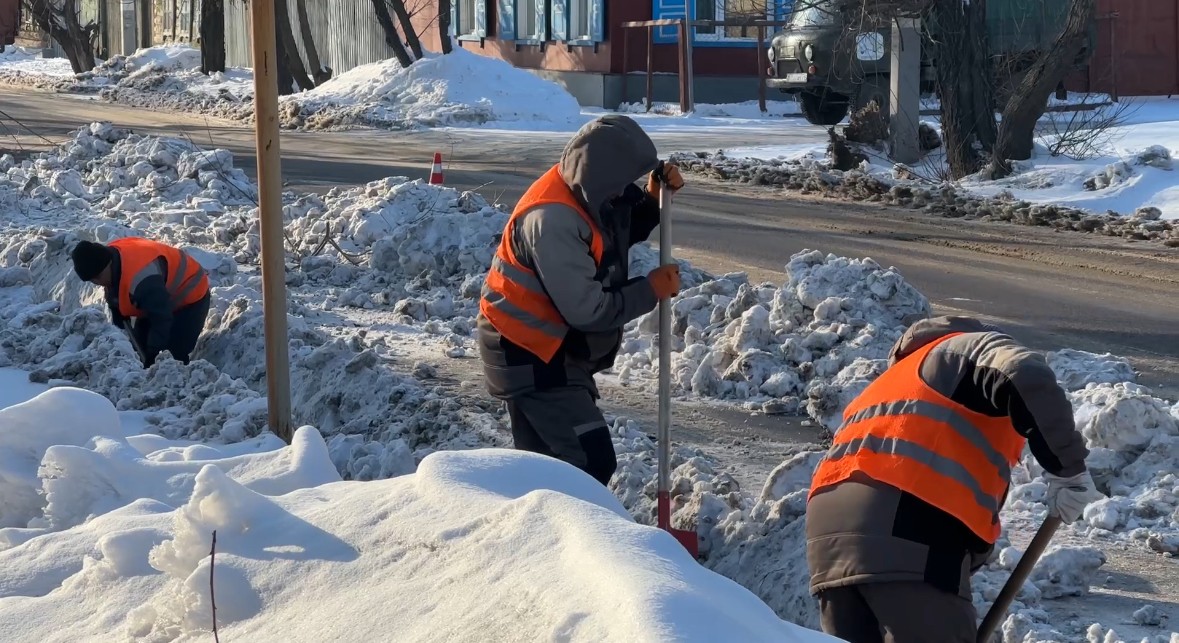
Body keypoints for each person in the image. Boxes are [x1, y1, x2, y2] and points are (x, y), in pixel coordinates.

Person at [805, 316, 1104, 643]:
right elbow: (1025, 372)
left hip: (827, 543)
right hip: (907, 517)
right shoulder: (964, 348)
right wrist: (1068, 468)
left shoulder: (891, 381)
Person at [477, 114, 685, 486]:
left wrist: (652, 200)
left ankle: (536, 532)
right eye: (622, 184)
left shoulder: (584, 190)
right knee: (588, 459)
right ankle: (563, 533)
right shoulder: (552, 221)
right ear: (601, 176)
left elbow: (608, 234)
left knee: (543, 465)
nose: (624, 192)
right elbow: (588, 310)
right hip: (528, 352)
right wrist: (649, 289)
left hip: (550, 347)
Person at [70, 237, 211, 368]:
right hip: (160, 294)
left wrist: (153, 353)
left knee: (172, 356)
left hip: (191, 292)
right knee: (139, 346)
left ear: (107, 264)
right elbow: (115, 286)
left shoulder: (142, 278)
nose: (98, 283)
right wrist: (116, 308)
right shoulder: (111, 259)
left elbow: (162, 318)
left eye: (98, 277)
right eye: (92, 281)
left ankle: (181, 388)